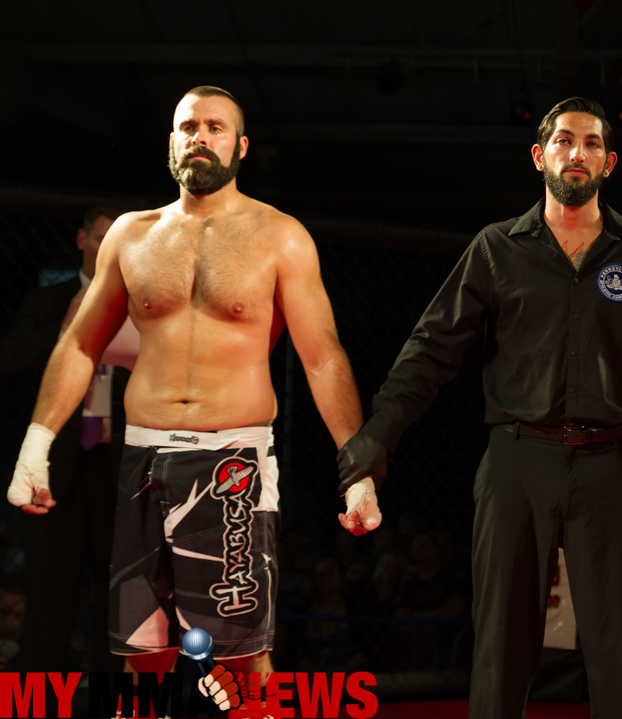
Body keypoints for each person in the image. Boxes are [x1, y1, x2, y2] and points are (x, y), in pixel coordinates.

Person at [336, 96, 622, 718]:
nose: (578, 152)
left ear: (609, 162)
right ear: (539, 155)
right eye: (565, 140)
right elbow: (427, 356)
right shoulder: (496, 249)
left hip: (612, 463)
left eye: (592, 143)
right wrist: (365, 458)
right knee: (500, 649)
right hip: (517, 459)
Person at [6, 86, 383, 689]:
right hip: (142, 458)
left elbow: (322, 358)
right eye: (188, 127)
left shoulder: (280, 236)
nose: (200, 137)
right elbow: (79, 343)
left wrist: (355, 467)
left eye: (215, 127)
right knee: (142, 649)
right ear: (172, 142)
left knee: (240, 654)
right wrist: (36, 443)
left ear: (241, 146)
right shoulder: (131, 235)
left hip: (231, 459)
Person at [0, 204, 132, 675]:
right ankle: (33, 705)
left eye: (118, 241)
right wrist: (62, 330)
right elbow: (9, 360)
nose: (108, 248)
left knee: (122, 605)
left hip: (120, 469)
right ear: (82, 240)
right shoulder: (47, 300)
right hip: (55, 470)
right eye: (100, 238)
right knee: (47, 603)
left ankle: (117, 706)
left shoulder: (142, 308)